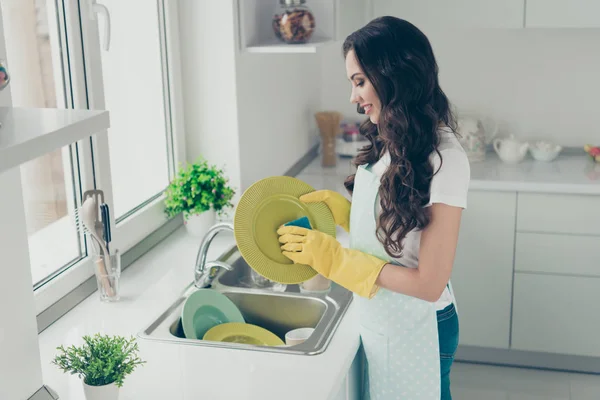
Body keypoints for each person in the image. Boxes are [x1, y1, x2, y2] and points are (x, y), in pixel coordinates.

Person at [277, 16, 470, 400]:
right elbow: (400, 232)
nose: (353, 97)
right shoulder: (391, 136)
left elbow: (429, 283)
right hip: (384, 316)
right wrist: (347, 216)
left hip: (420, 325)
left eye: (359, 81)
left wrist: (339, 261)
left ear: (393, 75)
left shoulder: (444, 158)